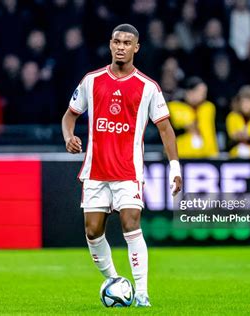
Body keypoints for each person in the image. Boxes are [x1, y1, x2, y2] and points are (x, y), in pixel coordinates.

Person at [61, 24, 182, 307]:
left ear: (136, 48)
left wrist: (175, 167)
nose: (121, 47)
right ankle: (116, 281)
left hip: (128, 172)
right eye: (117, 42)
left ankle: (141, 292)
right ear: (110, 44)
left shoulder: (148, 87)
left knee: (131, 223)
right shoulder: (91, 81)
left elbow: (165, 129)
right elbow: (69, 116)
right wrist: (69, 137)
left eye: (127, 43)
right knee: (92, 232)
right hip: (96, 172)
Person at [168, 77, 219, 159]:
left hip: (207, 154)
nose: (204, 96)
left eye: (205, 93)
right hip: (181, 155)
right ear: (189, 92)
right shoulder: (174, 107)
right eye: (201, 92)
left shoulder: (208, 108)